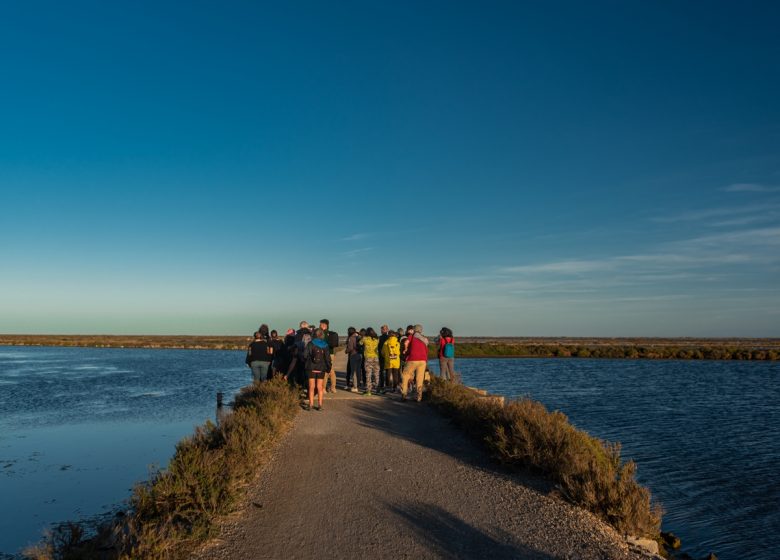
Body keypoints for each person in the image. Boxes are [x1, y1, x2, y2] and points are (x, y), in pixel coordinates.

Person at [303, 328, 332, 411]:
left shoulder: (310, 344)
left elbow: (305, 355)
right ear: (322, 335)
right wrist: (328, 368)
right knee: (320, 387)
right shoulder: (325, 345)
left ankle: (311, 405)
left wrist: (307, 362)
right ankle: (320, 405)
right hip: (321, 368)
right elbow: (328, 358)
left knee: (311, 387)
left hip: (311, 367)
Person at [400, 324, 429, 402]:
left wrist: (405, 350)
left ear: (414, 330)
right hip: (423, 360)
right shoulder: (424, 338)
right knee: (419, 378)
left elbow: (406, 342)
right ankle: (419, 397)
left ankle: (404, 394)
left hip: (413, 358)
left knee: (405, 375)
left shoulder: (412, 336)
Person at [319, 319, 338, 393]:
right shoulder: (331, 333)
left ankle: (323, 388)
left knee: (325, 371)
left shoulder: (323, 334)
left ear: (325, 325)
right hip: (330, 354)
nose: (321, 326)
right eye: (321, 324)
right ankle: (333, 388)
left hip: (326, 354)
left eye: (322, 324)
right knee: (331, 370)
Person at [360, 327, 380, 395]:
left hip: (368, 358)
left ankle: (368, 390)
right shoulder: (377, 339)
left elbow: (360, 343)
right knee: (376, 374)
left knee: (368, 375)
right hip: (376, 358)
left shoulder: (365, 339)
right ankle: (377, 389)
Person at [346, 327, 362, 393]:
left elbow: (350, 348)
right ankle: (358, 385)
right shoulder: (359, 337)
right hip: (359, 355)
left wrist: (346, 351)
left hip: (353, 355)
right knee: (358, 371)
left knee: (354, 372)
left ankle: (355, 386)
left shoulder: (351, 338)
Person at [378, 324, 390, 391]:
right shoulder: (389, 337)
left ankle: (382, 384)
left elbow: (378, 347)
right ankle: (388, 384)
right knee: (388, 371)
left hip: (381, 356)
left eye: (382, 329)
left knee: (382, 371)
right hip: (388, 356)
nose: (382, 330)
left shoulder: (380, 338)